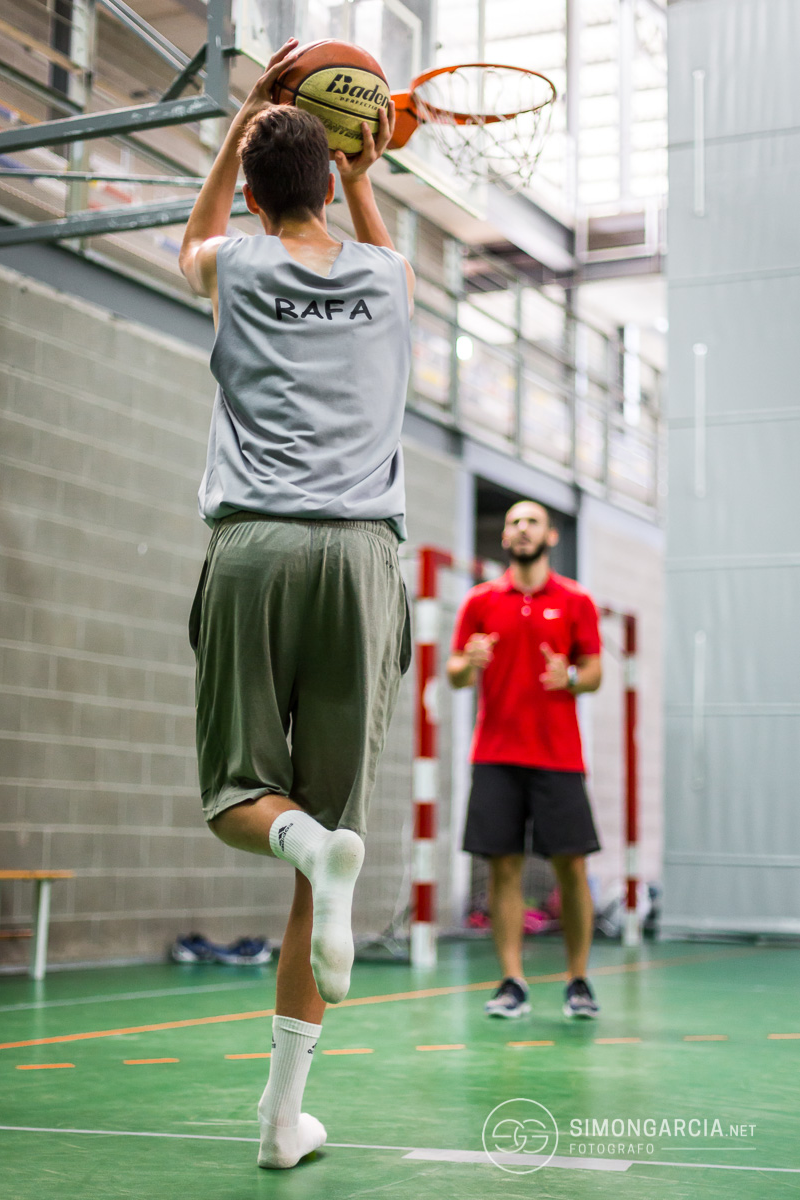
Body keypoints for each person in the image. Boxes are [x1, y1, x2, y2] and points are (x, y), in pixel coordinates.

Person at [178, 40, 413, 1170]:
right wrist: (357, 164)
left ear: (252, 184)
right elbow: (368, 233)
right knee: (329, 832)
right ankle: (282, 1119)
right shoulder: (386, 278)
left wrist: (240, 133)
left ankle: (281, 1121)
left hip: (256, 549)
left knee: (240, 799)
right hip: (361, 560)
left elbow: (192, 238)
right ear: (328, 181)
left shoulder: (234, 266)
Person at [447, 500, 603, 1020]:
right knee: (503, 867)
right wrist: (468, 663)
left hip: (559, 758)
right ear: (506, 537)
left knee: (571, 866)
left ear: (550, 536)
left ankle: (578, 979)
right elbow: (455, 673)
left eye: (530, 521)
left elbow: (595, 671)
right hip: (495, 754)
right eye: (511, 521)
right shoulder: (480, 601)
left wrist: (572, 679)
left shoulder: (576, 601)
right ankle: (512, 980)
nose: (519, 528)